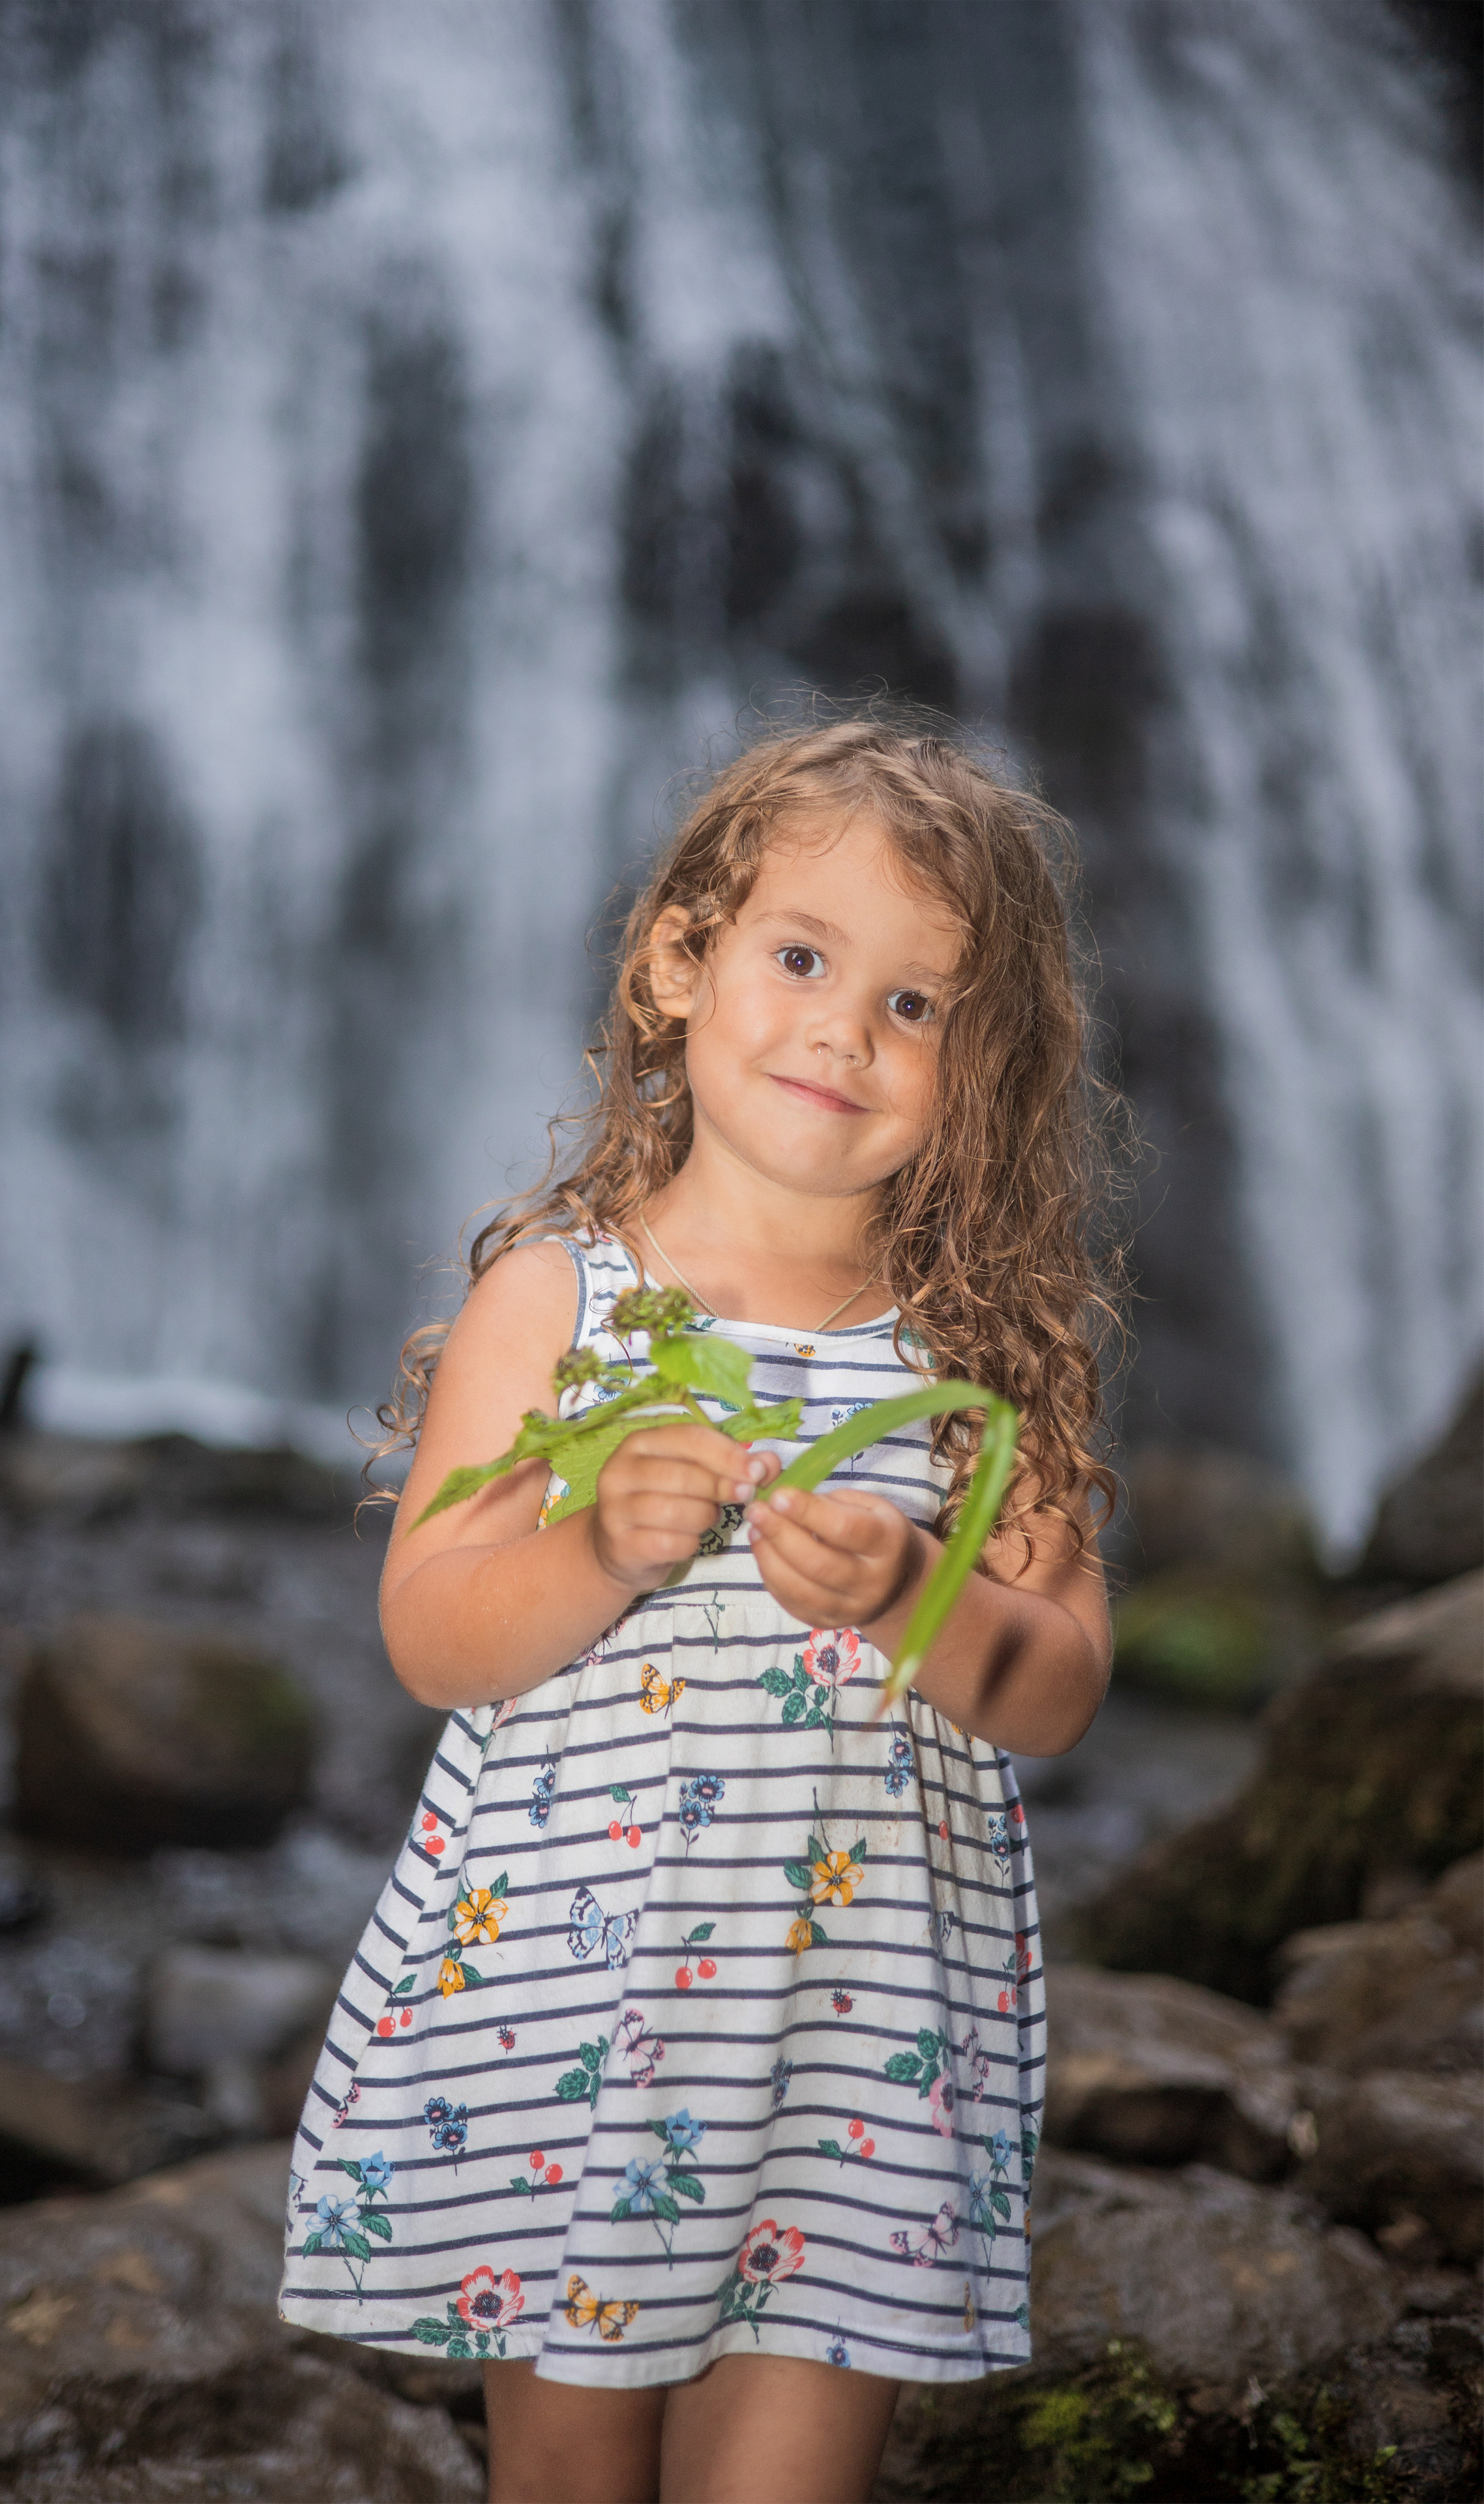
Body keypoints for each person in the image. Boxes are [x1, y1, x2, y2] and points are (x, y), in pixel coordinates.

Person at [278, 715, 1121, 2504]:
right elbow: (433, 1630)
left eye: (917, 1004)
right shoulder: (557, 1302)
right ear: (679, 963)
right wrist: (597, 1547)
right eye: (802, 959)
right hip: (569, 2003)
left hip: (861, 2025)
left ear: (986, 1070)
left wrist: (917, 1593)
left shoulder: (989, 1359)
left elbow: (1056, 1688)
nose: (845, 1029)